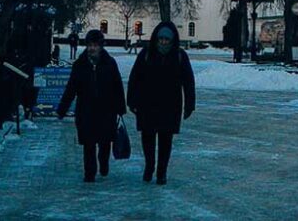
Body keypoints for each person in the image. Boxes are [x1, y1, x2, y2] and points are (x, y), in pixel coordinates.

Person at [127, 21, 196, 186]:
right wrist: (131, 100)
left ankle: (162, 171)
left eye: (167, 39)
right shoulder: (146, 54)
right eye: (161, 39)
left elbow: (188, 82)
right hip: (147, 104)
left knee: (166, 140)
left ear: (172, 41)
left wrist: (189, 105)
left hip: (170, 106)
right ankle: (149, 165)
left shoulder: (180, 56)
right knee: (148, 138)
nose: (164, 42)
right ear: (156, 39)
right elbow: (134, 78)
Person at [57, 29, 126, 183]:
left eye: (95, 45)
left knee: (104, 142)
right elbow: (71, 88)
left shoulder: (109, 63)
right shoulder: (80, 65)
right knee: (88, 143)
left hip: (106, 110)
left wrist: (121, 107)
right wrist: (62, 108)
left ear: (101, 46)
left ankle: (103, 163)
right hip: (86, 110)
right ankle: (89, 172)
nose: (92, 48)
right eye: (89, 45)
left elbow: (117, 86)